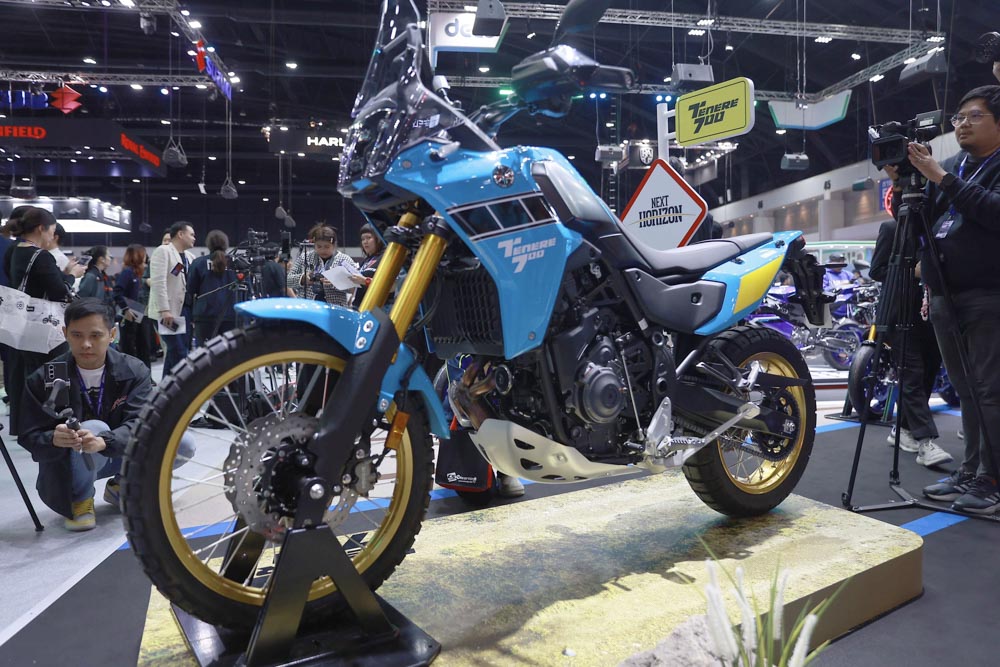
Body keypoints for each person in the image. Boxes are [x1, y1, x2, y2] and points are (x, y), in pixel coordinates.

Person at [888, 84, 1000, 514]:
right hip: (944, 294)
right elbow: (921, 224)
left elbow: (993, 211)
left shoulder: (960, 170)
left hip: (989, 294)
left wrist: (941, 178)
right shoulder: (953, 166)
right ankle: (972, 470)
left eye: (974, 116)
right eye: (958, 118)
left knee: (991, 391)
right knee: (967, 390)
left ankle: (992, 479)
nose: (962, 124)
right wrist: (905, 187)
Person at [17, 298, 195, 531]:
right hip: (69, 466)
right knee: (94, 427)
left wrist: (104, 441)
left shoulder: (133, 370)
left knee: (183, 443)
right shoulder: (46, 377)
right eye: (77, 335)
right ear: (64, 333)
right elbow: (27, 434)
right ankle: (80, 499)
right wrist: (52, 438)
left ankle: (122, 485)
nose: (86, 344)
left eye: (96, 335)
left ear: (112, 334)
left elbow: (140, 422)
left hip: (116, 451)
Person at [869, 219, 951, 467]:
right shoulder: (891, 229)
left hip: (930, 313)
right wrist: (910, 271)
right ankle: (925, 441)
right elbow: (877, 270)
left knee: (928, 372)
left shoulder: (936, 229)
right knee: (912, 373)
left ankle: (903, 429)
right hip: (900, 314)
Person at [5, 207, 73, 437]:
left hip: (22, 325)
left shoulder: (14, 251)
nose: (52, 236)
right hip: (45, 326)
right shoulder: (41, 256)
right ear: (41, 228)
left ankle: (30, 426)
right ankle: (56, 423)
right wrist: (71, 276)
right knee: (55, 373)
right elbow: (59, 292)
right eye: (51, 231)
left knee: (29, 376)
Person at [149, 221, 196, 375]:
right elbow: (158, 282)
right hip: (169, 312)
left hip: (185, 310)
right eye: (191, 234)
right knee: (179, 351)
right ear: (180, 234)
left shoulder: (190, 257)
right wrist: (165, 310)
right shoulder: (163, 251)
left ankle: (166, 387)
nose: (194, 238)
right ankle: (183, 386)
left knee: (176, 352)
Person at [287, 224, 361, 307]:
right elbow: (287, 281)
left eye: (327, 247)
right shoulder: (305, 257)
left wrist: (336, 283)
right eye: (319, 246)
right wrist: (303, 279)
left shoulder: (344, 260)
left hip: (335, 308)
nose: (323, 250)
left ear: (334, 245)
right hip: (307, 307)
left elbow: (355, 287)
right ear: (314, 245)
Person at [187, 229, 237, 346]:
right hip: (231, 315)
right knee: (231, 353)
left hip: (205, 315)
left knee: (205, 353)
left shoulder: (198, 263)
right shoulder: (237, 263)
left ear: (208, 245)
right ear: (226, 244)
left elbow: (191, 289)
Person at [114, 244, 152, 368]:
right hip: (130, 315)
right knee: (129, 347)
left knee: (144, 346)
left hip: (141, 313)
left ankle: (145, 373)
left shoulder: (139, 273)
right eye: (144, 254)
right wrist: (126, 308)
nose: (146, 257)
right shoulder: (127, 272)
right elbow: (117, 292)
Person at [352, 224, 384, 308]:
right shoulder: (365, 261)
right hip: (359, 305)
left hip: (376, 307)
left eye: (369, 238)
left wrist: (365, 281)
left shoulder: (384, 258)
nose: (365, 242)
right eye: (363, 239)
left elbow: (388, 285)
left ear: (378, 239)